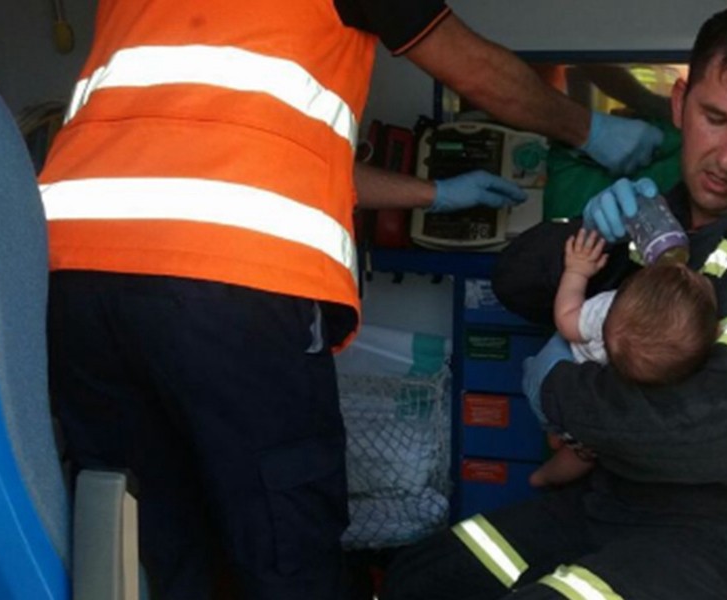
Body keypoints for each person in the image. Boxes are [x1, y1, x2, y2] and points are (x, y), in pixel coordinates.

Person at [37, 1, 664, 599]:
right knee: (285, 535)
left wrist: (434, 195)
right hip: (230, 280)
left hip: (71, 275)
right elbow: (466, 62)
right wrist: (590, 128)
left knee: (144, 536)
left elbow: (268, 153)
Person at [382, 3, 727, 599]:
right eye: (715, 118)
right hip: (609, 507)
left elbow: (715, 435)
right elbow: (517, 281)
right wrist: (600, 227)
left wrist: (557, 390)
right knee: (421, 580)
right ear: (679, 104)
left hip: (724, 537)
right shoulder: (653, 214)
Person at [530, 228, 718, 488]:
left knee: (555, 418)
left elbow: (566, 320)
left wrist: (577, 271)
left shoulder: (608, 310)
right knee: (583, 455)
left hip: (555, 372)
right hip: (578, 402)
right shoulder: (669, 374)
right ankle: (545, 476)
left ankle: (553, 437)